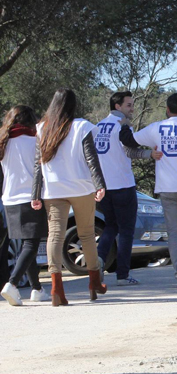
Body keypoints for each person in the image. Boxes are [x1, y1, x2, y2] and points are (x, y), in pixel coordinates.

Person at [123, 93, 177, 288]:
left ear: (167, 109)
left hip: (167, 187)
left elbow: (128, 140)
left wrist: (122, 122)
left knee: (174, 232)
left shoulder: (156, 128)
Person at [32, 89, 107, 305]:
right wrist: (100, 184)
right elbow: (91, 158)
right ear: (73, 105)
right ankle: (94, 282)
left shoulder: (41, 128)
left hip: (53, 190)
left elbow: (38, 164)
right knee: (86, 234)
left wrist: (35, 193)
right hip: (81, 187)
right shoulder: (81, 126)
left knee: (55, 235)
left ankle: (57, 288)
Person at [94, 91, 158, 287]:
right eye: (129, 105)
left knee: (111, 226)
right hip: (122, 184)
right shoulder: (121, 125)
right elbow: (130, 149)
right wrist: (150, 154)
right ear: (117, 107)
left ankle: (98, 259)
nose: (132, 109)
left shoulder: (96, 127)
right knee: (127, 231)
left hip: (103, 186)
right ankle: (122, 274)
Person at [1, 106, 51, 306]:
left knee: (25, 245)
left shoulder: (4, 141)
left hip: (9, 199)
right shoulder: (34, 141)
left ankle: (37, 288)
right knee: (31, 244)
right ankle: (12, 284)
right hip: (31, 197)